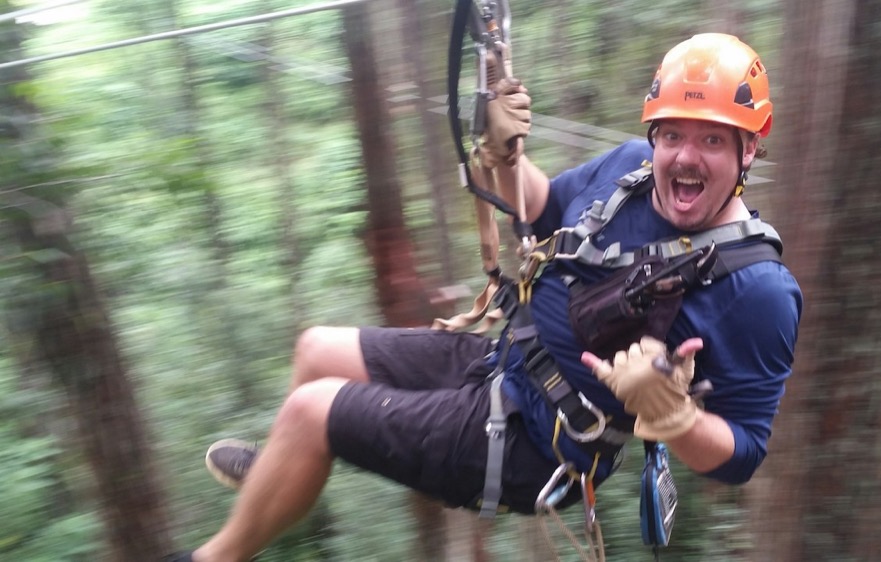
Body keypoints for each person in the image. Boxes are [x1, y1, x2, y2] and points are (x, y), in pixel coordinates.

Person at [168, 33, 802, 562]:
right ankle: (282, 475)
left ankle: (217, 553)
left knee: (311, 411)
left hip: (536, 442)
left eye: (712, 140)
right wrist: (504, 152)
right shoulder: (630, 170)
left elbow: (743, 454)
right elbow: (541, 206)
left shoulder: (758, 289)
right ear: (654, 134)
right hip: (501, 361)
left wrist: (676, 419)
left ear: (751, 148)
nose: (684, 157)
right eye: (673, 135)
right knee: (314, 351)